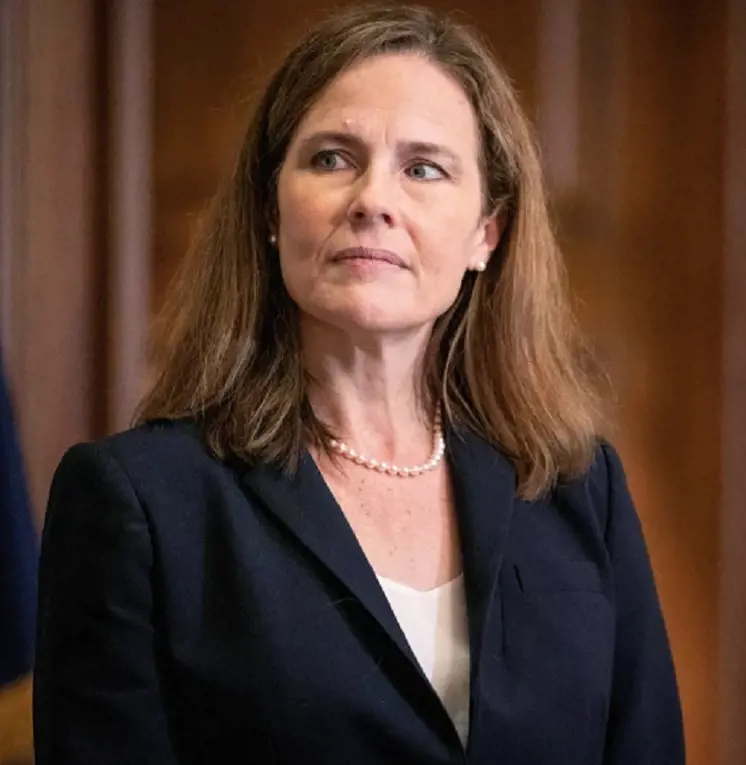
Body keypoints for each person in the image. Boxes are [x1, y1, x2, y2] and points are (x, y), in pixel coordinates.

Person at [33, 5, 684, 764]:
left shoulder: (579, 489)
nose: (373, 199)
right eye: (332, 158)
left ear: (487, 232)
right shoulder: (136, 501)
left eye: (424, 168)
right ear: (272, 209)